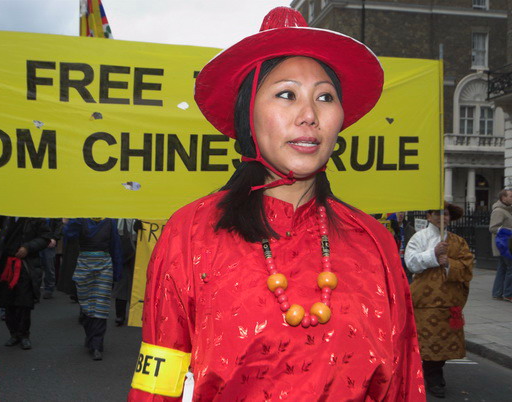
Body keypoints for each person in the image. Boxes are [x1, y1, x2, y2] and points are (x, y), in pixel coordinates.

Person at [128, 7, 424, 401]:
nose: (309, 115)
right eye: (286, 94)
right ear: (248, 114)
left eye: (325, 97)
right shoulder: (190, 232)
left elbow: (403, 379)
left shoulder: (374, 242)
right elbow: (158, 381)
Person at [405, 204, 473, 398]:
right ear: (429, 216)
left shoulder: (458, 241)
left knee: (444, 341)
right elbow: (411, 263)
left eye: (446, 214)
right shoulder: (419, 238)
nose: (442, 217)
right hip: (425, 302)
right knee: (427, 341)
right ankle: (433, 376)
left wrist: (449, 263)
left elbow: (467, 266)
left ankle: (434, 371)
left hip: (448, 300)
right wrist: (433, 254)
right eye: (438, 214)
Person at [0, 216, 51, 350]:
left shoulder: (35, 216)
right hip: (5, 263)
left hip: (26, 265)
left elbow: (45, 237)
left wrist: (28, 247)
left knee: (24, 302)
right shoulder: (6, 213)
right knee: (8, 301)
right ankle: (13, 334)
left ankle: (24, 335)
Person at [64, 218, 123, 360]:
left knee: (101, 306)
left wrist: (117, 273)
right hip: (84, 264)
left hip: (104, 266)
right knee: (86, 305)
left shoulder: (110, 222)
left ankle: (97, 344)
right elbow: (68, 234)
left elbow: (116, 247)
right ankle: (91, 337)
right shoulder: (81, 220)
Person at [489, 188, 512, 302]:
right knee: (510, 268)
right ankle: (508, 293)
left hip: (506, 244)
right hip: (504, 245)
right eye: (511, 196)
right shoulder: (499, 211)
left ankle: (497, 293)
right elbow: (493, 228)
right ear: (503, 198)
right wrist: (510, 230)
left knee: (502, 268)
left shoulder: (507, 210)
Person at [388, 212, 416, 283]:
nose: (401, 214)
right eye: (398, 212)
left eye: (402, 212)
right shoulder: (388, 229)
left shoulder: (411, 230)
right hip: (393, 269)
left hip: (407, 270)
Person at [40, 218, 63, 300]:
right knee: (36, 267)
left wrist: (55, 238)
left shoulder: (54, 211)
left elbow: (59, 225)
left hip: (49, 241)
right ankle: (35, 290)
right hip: (37, 240)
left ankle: (49, 289)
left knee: (49, 266)